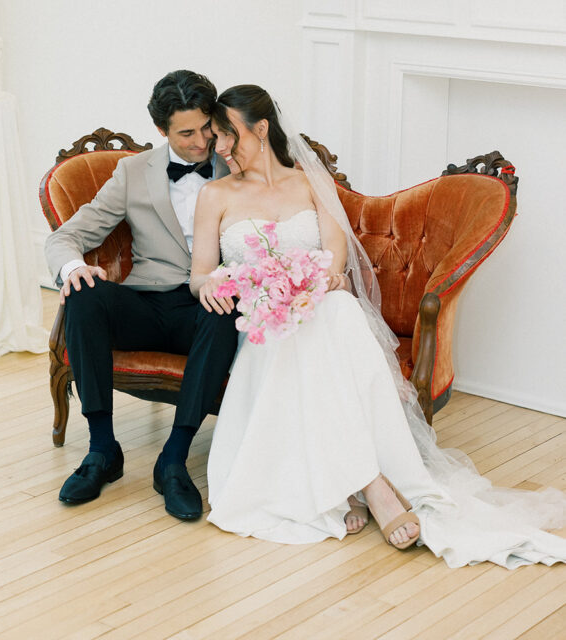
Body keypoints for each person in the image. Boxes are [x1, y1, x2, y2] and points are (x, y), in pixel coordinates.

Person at [189, 84, 566, 567]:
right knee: (311, 327)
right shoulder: (215, 194)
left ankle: (357, 484)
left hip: (317, 311)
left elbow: (335, 259)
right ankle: (374, 485)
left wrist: (315, 284)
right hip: (261, 324)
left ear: (261, 129)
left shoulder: (309, 184)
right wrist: (216, 287)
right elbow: (199, 274)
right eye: (215, 138)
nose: (219, 149)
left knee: (338, 310)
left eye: (228, 136)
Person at [45, 70, 238, 520]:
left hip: (208, 309)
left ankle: (173, 458)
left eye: (207, 127)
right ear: (161, 131)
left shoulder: (237, 162)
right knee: (83, 293)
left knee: (225, 309)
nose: (201, 142)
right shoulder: (133, 171)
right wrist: (73, 268)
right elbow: (64, 238)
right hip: (148, 303)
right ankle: (102, 450)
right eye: (186, 133)